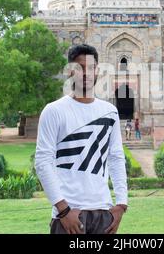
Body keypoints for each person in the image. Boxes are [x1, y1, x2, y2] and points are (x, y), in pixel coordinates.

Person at [35, 44, 128, 235]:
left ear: (98, 71)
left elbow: (116, 158)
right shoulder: (54, 111)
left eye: (91, 68)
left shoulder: (109, 112)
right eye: (80, 68)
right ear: (70, 71)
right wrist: (63, 210)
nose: (86, 73)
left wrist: (121, 205)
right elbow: (43, 162)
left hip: (103, 213)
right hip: (69, 214)